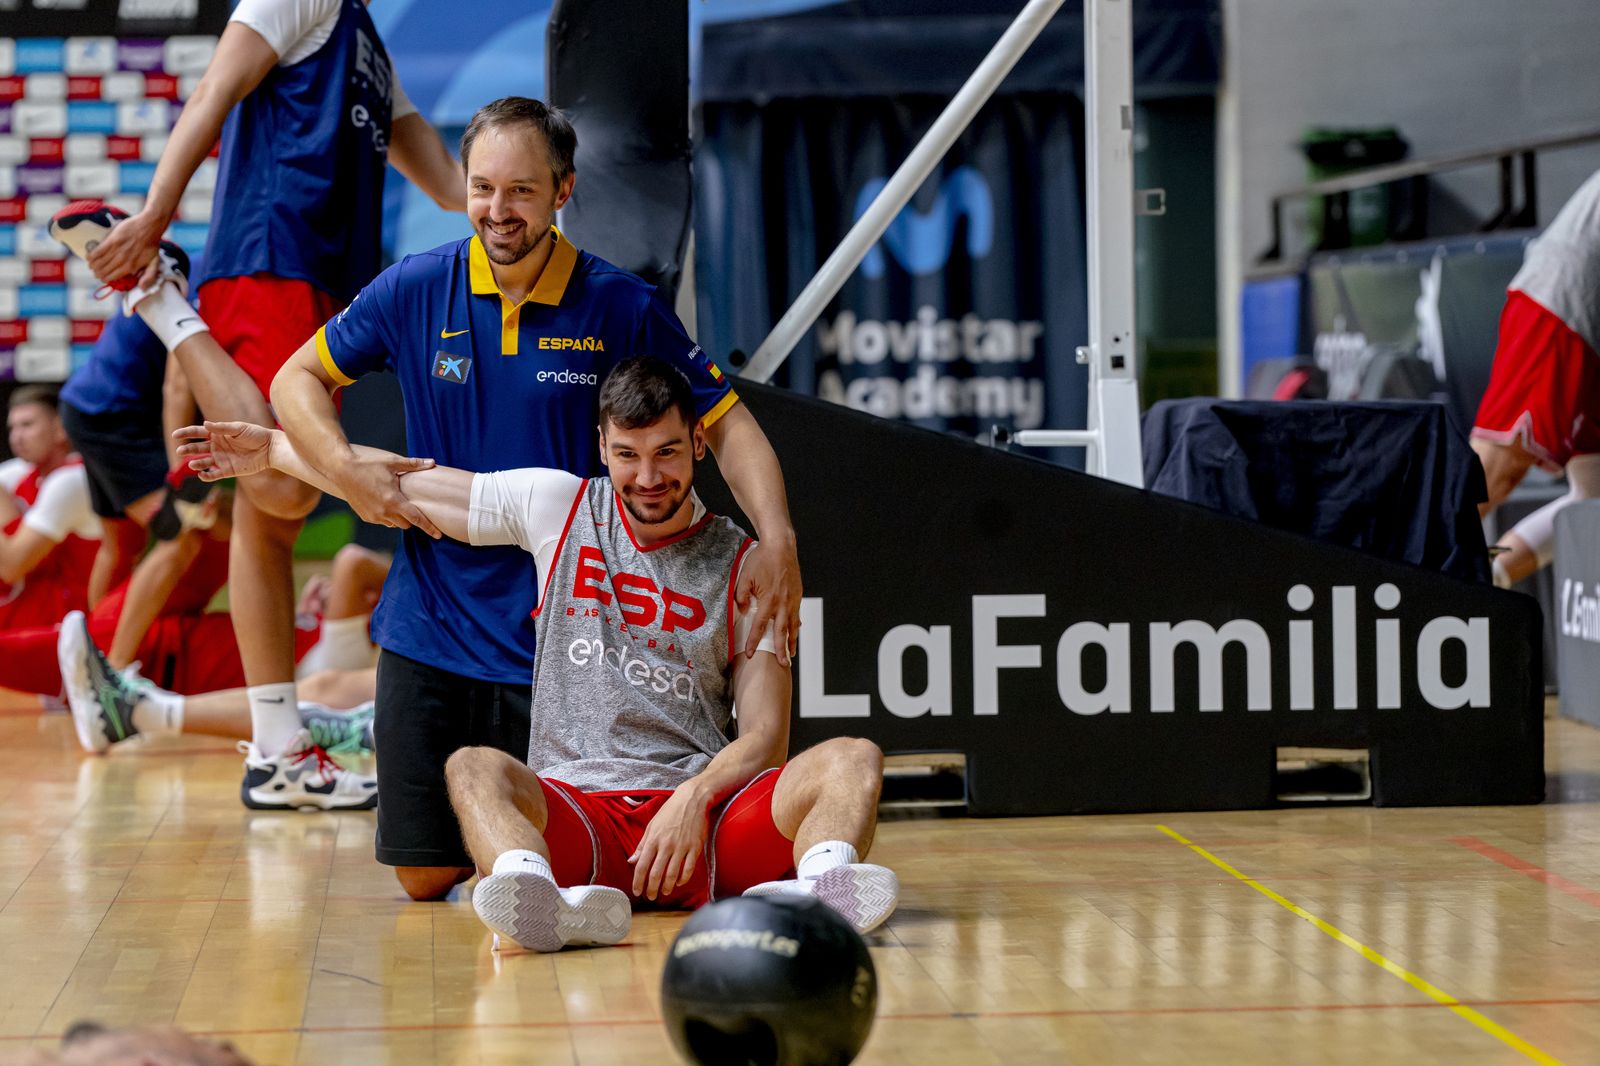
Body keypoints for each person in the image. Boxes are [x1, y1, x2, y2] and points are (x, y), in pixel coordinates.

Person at [265, 96, 804, 900]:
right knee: (422, 876)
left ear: (563, 189)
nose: (498, 209)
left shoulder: (620, 305)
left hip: (561, 639)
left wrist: (778, 537)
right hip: (430, 621)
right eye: (482, 188)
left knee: (547, 860)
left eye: (521, 190)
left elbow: (727, 424)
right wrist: (342, 468)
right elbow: (295, 379)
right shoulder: (416, 287)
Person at [177, 357, 897, 949]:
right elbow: (408, 484)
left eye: (668, 453)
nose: (649, 477)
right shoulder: (560, 508)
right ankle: (539, 900)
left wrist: (693, 798)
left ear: (699, 445)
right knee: (472, 767)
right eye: (628, 455)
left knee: (854, 759)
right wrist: (277, 451)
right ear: (602, 447)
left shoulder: (747, 564)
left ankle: (822, 895)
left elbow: (766, 737)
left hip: (700, 823)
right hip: (580, 812)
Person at [49, 0, 464, 809]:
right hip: (272, 254)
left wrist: (536, 184)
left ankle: (279, 752)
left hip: (329, 286)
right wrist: (156, 217)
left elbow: (451, 186)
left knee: (267, 519)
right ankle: (163, 300)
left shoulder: (369, 47)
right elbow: (213, 90)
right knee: (282, 481)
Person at [1471, 170, 1600, 587]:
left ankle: (1489, 577)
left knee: (1594, 496)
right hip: (1567, 297)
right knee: (1500, 465)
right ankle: (1401, 575)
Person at [58, 297, 208, 606]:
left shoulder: (180, 276)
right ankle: (108, 640)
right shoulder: (204, 284)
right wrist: (181, 473)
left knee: (123, 544)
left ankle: (92, 633)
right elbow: (177, 387)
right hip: (115, 414)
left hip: (88, 406)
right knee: (179, 535)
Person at [0, 387, 100, 631]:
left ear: (60, 429)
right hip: (37, 620)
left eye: (27, 425)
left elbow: (11, 567)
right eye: (12, 428)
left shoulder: (73, 479)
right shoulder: (26, 473)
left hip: (72, 627)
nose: (16, 437)